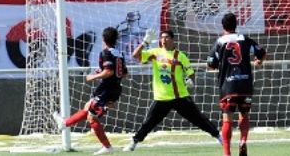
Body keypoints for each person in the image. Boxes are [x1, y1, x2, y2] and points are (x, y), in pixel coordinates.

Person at [123, 29, 221, 151]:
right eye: (162, 37)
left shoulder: (181, 56)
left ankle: (219, 136)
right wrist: (145, 42)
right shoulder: (155, 53)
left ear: (172, 39)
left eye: (166, 37)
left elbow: (190, 73)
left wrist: (190, 80)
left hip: (180, 97)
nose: (163, 40)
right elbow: (135, 55)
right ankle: (134, 142)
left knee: (199, 119)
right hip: (162, 98)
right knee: (148, 123)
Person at [53, 27, 127, 155]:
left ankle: (107, 147)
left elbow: (109, 72)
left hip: (106, 89)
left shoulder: (106, 53)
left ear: (103, 39)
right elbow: (124, 73)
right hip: (114, 88)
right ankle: (65, 123)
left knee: (92, 118)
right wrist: (102, 72)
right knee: (88, 108)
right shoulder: (119, 53)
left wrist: (93, 76)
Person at [207, 12, 266, 156]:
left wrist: (217, 66)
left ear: (223, 25)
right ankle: (243, 140)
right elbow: (261, 52)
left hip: (229, 86)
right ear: (236, 24)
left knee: (227, 117)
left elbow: (210, 64)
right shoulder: (244, 39)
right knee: (244, 114)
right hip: (245, 85)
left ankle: (227, 153)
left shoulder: (220, 42)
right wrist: (259, 61)